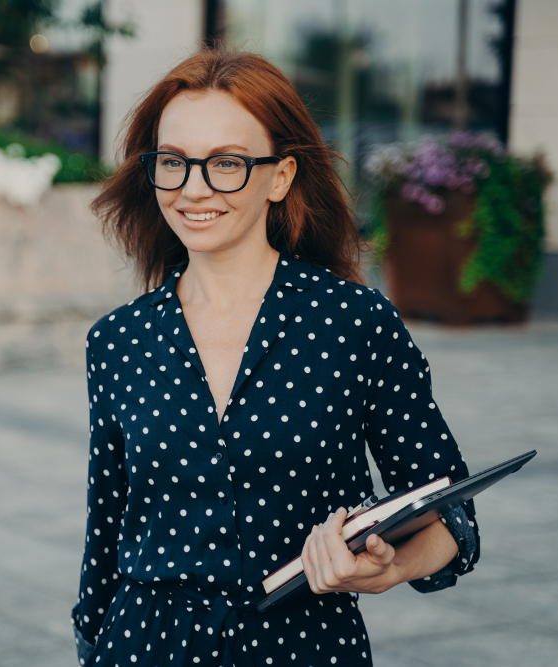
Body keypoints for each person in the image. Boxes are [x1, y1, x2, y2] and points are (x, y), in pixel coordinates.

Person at [71, 48, 479, 667]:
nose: (193, 188)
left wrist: (392, 566)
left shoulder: (354, 323)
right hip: (143, 647)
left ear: (281, 176)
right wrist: (90, 642)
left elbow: (453, 512)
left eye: (227, 163)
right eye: (173, 163)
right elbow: (106, 530)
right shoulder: (119, 340)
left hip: (302, 647)